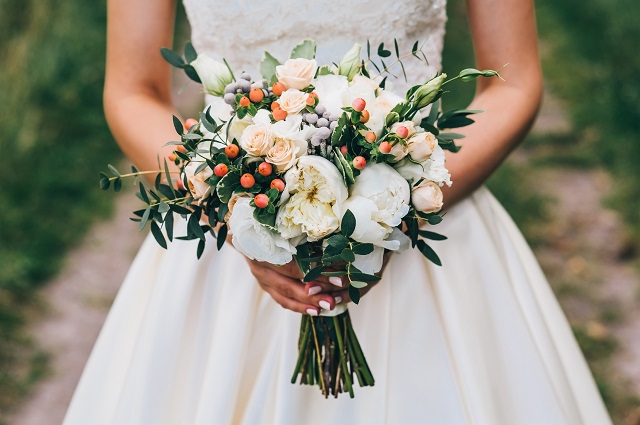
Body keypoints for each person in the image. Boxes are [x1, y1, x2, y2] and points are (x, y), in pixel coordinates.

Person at [64, 0, 613, 424]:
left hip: (422, 224)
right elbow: (132, 90)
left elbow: (514, 82)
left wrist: (395, 207)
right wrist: (236, 214)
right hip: (232, 234)